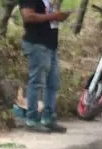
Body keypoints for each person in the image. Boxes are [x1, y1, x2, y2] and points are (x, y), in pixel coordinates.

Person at [19, 0, 72, 133]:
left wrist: (59, 16)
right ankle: (32, 119)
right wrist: (54, 16)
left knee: (53, 83)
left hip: (51, 45)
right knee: (37, 82)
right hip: (37, 43)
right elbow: (28, 16)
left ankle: (48, 118)